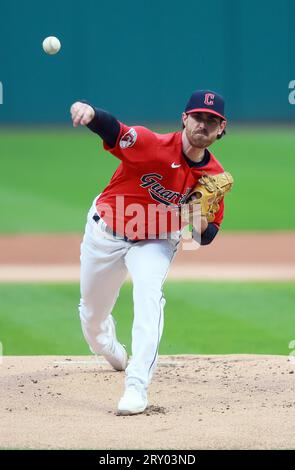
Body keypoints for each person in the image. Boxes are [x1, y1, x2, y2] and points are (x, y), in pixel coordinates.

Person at [70, 90, 227, 415]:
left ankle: (137, 385)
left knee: (149, 295)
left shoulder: (214, 177)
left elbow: (207, 235)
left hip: (156, 238)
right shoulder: (151, 144)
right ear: (184, 119)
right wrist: (90, 113)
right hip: (107, 231)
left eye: (212, 121)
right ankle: (109, 346)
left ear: (221, 129)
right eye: (198, 117)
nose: (203, 124)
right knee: (92, 315)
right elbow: (115, 130)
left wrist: (196, 216)